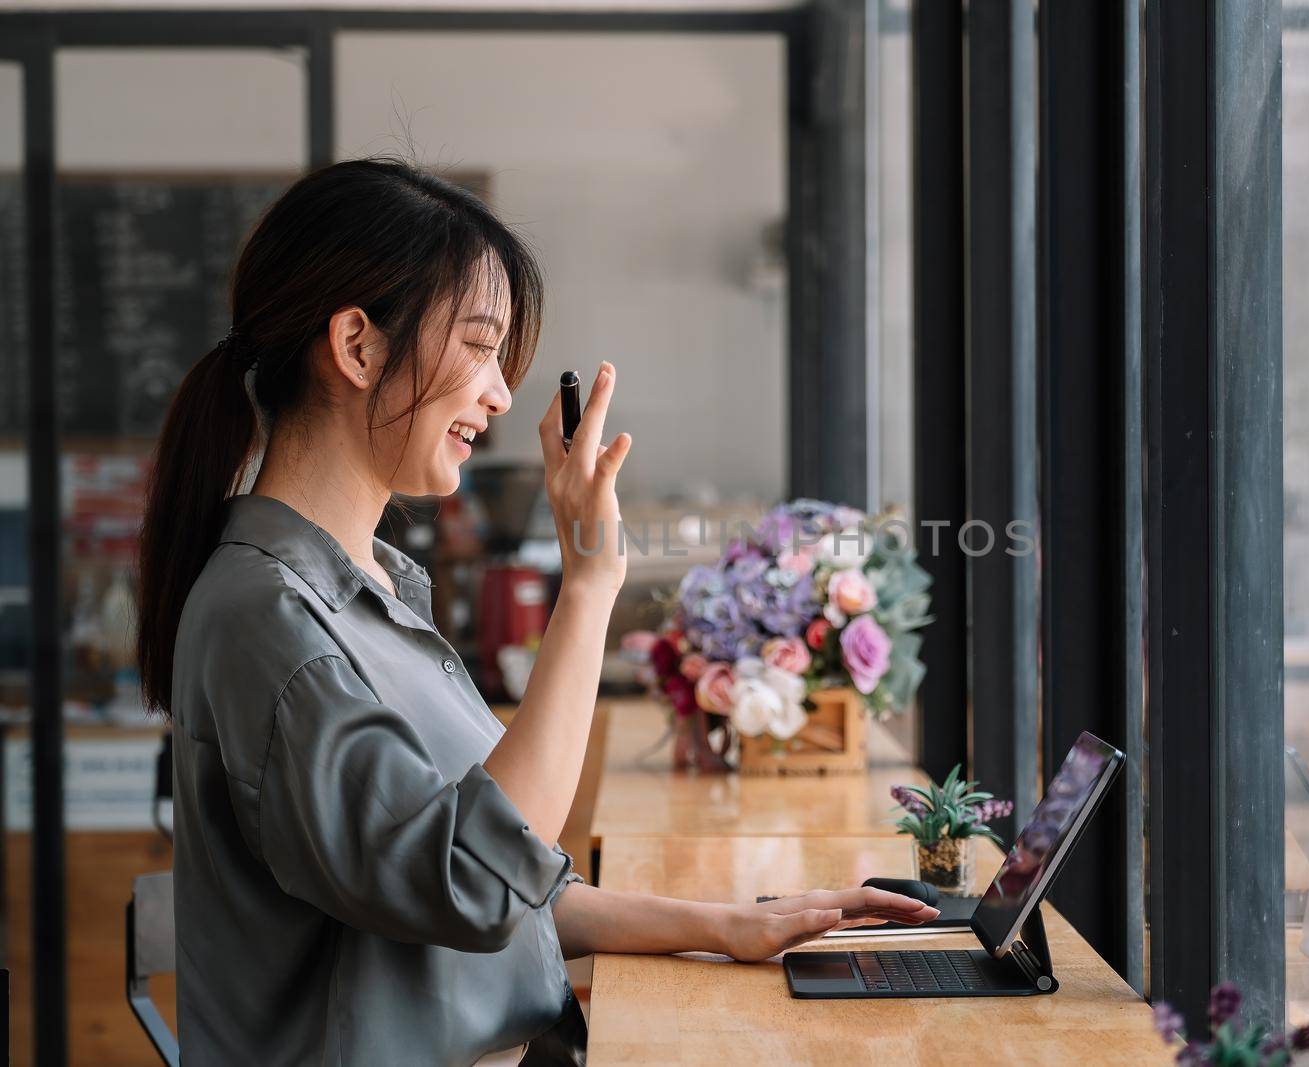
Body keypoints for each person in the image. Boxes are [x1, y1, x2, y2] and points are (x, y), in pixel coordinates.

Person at [135, 157, 936, 1067]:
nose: (501, 394)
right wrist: (588, 588)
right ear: (356, 347)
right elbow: (473, 880)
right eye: (478, 346)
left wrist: (727, 923)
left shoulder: (372, 591)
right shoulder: (270, 620)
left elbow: (504, 874)